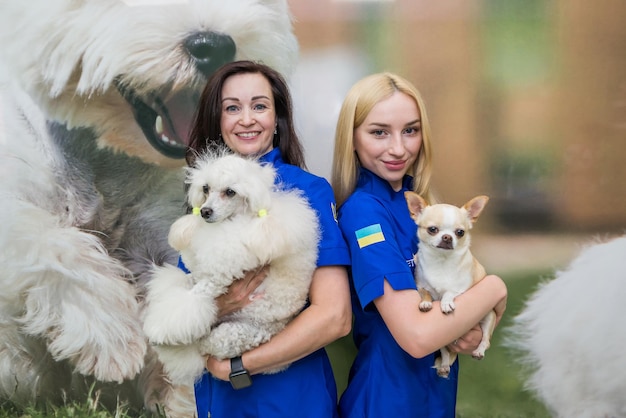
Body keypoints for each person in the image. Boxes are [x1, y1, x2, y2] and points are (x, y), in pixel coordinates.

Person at [331, 72, 508, 418]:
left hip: (433, 393)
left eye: (410, 130)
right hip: (387, 397)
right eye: (379, 132)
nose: (399, 148)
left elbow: (458, 310)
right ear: (351, 139)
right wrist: (495, 288)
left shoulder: (418, 203)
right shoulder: (365, 213)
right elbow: (417, 336)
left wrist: (469, 332)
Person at [183, 60, 352, 418]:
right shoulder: (203, 198)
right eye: (232, 108)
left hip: (289, 398)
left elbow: (335, 316)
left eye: (259, 106)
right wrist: (219, 306)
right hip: (217, 400)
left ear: (277, 121)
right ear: (218, 121)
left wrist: (241, 365)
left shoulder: (308, 192)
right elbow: (187, 306)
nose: (247, 119)